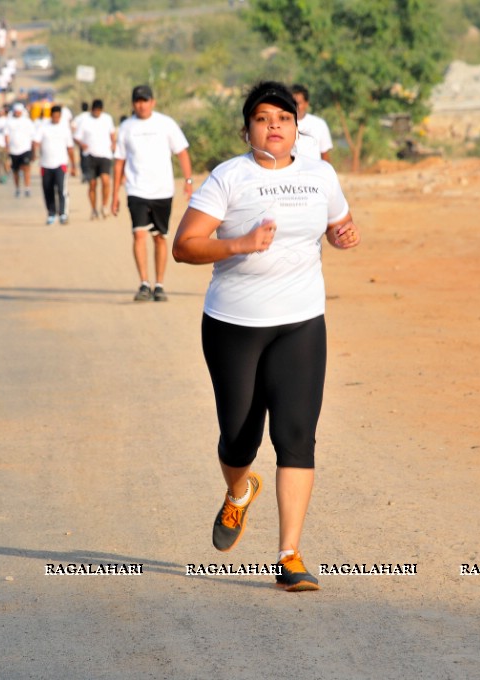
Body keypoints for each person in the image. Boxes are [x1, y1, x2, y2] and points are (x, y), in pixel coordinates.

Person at [171, 80, 361, 592]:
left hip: (301, 323)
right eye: (262, 118)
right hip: (234, 325)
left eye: (283, 117)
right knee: (239, 437)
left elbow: (339, 225)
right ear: (247, 128)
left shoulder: (320, 175)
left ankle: (289, 555)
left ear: (299, 127)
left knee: (296, 437)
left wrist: (343, 236)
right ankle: (238, 493)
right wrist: (239, 244)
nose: (274, 125)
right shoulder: (229, 178)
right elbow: (185, 247)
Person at [111, 84, 193, 302]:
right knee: (138, 233)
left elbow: (182, 153)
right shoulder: (126, 127)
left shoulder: (166, 124)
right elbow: (119, 162)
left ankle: (159, 284)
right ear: (132, 104)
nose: (141, 104)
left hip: (162, 190)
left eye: (145, 100)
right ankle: (144, 283)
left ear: (153, 102)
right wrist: (114, 196)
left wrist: (188, 181)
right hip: (136, 189)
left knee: (159, 237)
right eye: (138, 101)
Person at [33, 105, 77, 225]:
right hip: (46, 164)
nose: (56, 118)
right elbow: (36, 141)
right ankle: (51, 213)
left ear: (60, 116)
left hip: (61, 163)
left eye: (58, 116)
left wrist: (74, 165)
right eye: (54, 116)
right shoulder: (43, 127)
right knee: (48, 189)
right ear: (51, 115)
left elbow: (70, 148)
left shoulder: (65, 129)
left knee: (62, 190)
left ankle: (63, 213)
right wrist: (35, 153)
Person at [74, 98, 117, 220]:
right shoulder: (85, 120)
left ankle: (104, 206)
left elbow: (112, 133)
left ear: (102, 110)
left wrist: (113, 143)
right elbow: (76, 137)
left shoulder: (107, 119)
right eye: (95, 110)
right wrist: (82, 144)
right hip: (90, 155)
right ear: (92, 109)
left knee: (105, 181)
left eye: (99, 110)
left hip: (105, 154)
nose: (97, 112)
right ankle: (93, 209)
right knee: (92, 184)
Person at [290, 84, 333, 162]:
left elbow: (325, 155)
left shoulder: (319, 125)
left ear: (306, 103)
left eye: (298, 103)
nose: (295, 107)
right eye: (292, 103)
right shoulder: (280, 126)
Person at [5, 102, 35, 197]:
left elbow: (32, 136)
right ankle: (17, 188)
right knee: (15, 171)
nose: (17, 113)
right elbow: (6, 135)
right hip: (14, 150)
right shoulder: (9, 121)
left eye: (19, 112)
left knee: (26, 168)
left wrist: (33, 151)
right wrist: (7, 148)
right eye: (16, 112)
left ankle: (27, 188)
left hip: (25, 148)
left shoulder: (27, 121)